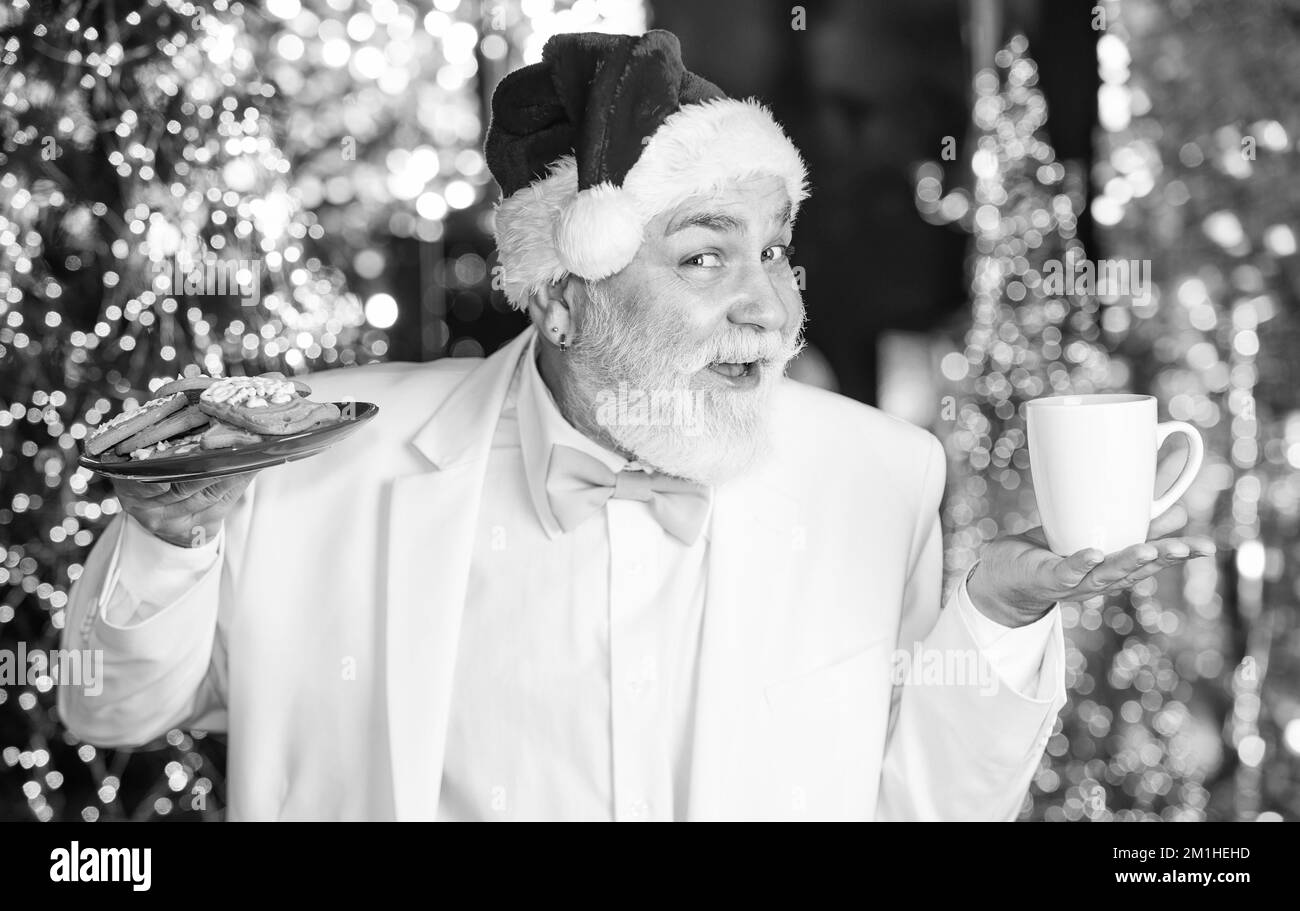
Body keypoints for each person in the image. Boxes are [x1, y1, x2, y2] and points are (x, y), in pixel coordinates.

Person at [60, 30, 1213, 821]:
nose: (769, 306)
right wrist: (171, 531)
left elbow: (926, 804)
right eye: (704, 254)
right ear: (563, 290)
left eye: (771, 252)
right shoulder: (323, 456)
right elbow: (112, 707)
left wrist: (999, 619)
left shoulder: (878, 474)